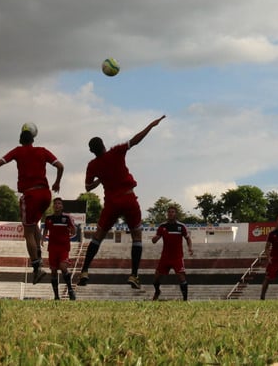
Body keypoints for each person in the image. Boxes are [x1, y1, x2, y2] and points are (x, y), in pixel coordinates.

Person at [77, 115, 166, 290]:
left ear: (92, 151)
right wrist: (151, 125)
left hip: (111, 202)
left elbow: (87, 187)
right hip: (128, 198)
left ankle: (85, 271)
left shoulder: (92, 165)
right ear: (103, 145)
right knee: (137, 237)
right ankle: (134, 274)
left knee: (98, 237)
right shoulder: (116, 151)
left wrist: (100, 180)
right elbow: (135, 140)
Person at [0, 124, 64, 284]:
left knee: (27, 232)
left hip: (30, 194)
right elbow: (60, 166)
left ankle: (37, 267)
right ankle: (38, 252)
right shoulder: (42, 151)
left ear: (20, 139)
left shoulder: (18, 151)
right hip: (45, 194)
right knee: (34, 226)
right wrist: (57, 182)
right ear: (33, 138)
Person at [151, 205, 192, 301]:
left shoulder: (181, 226)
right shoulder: (162, 226)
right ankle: (157, 291)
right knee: (156, 278)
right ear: (167, 214)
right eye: (169, 212)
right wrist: (155, 238)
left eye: (173, 212)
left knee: (182, 278)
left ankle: (185, 300)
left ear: (175, 214)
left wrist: (190, 248)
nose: (170, 213)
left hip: (177, 257)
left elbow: (188, 238)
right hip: (165, 256)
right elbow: (154, 240)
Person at [42, 197, 77, 300]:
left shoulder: (66, 218)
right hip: (52, 248)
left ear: (62, 206)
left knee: (63, 267)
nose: (57, 205)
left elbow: (73, 230)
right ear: (53, 206)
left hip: (63, 247)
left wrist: (72, 230)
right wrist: (42, 238)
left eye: (59, 204)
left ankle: (70, 290)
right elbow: (46, 230)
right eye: (55, 203)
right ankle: (56, 296)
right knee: (53, 271)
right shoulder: (49, 218)